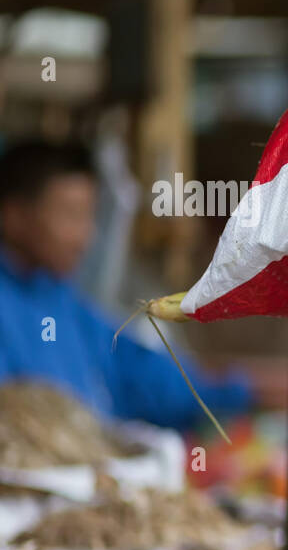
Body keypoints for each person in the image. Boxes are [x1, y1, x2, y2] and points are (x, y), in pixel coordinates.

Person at [0, 139, 254, 431]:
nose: (84, 237)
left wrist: (236, 392)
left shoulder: (64, 303)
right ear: (15, 217)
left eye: (88, 217)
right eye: (70, 215)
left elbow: (141, 374)